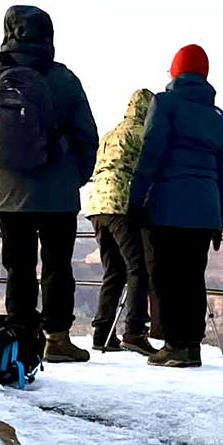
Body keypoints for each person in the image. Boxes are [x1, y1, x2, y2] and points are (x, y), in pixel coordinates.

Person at [0, 5, 98, 363]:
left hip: (6, 188)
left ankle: (20, 337)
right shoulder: (64, 78)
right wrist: (74, 178)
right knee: (57, 264)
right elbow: (86, 135)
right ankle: (58, 339)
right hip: (58, 191)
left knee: (18, 263)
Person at [130, 45, 223, 369]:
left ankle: (175, 344)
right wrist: (220, 217)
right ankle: (192, 345)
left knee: (166, 275)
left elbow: (151, 153)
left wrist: (135, 200)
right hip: (205, 208)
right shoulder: (218, 116)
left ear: (175, 72)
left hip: (168, 205)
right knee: (192, 275)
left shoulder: (165, 103)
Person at [85, 88, 158, 354]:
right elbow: (150, 168)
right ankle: (135, 331)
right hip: (120, 205)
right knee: (138, 269)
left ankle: (102, 334)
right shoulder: (142, 134)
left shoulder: (111, 134)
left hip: (96, 207)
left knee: (113, 271)